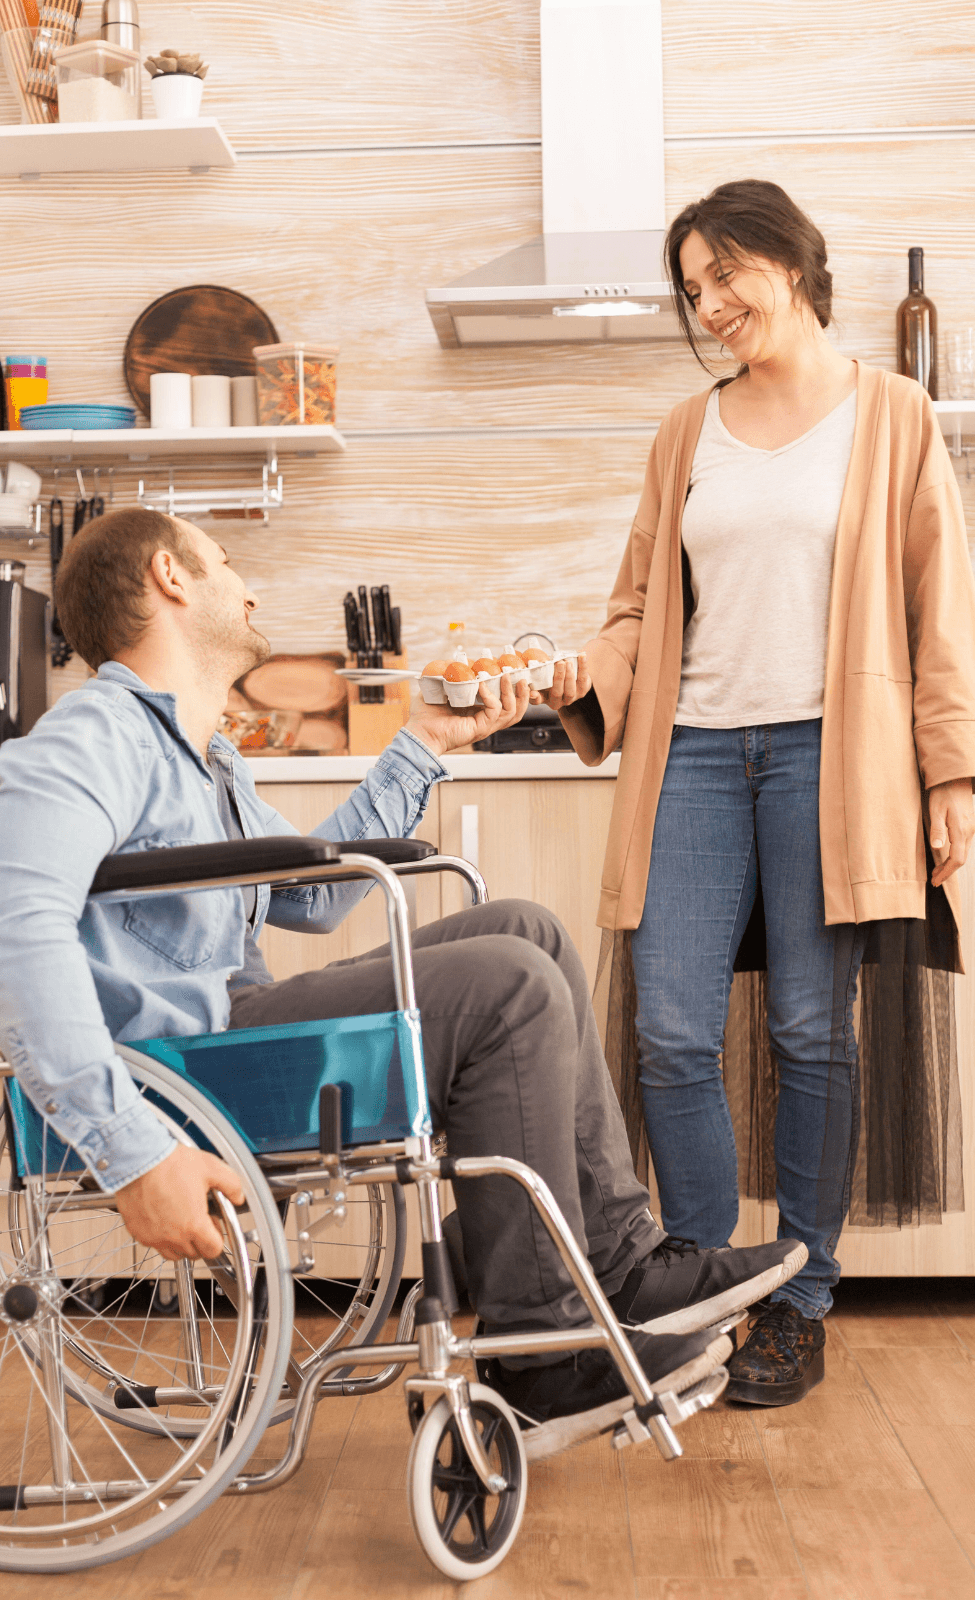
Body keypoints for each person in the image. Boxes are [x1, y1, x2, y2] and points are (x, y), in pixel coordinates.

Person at [0, 506, 805, 1443]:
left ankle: (618, 1265)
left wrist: (428, 744)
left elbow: (312, 897)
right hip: (182, 1081)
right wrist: (133, 1153)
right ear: (169, 576)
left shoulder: (206, 756)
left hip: (230, 1036)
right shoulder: (96, 737)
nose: (247, 583)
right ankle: (541, 1350)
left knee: (531, 932)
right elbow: (8, 927)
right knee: (509, 985)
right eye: (226, 560)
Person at [557, 178, 975, 1407]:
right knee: (672, 1032)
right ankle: (701, 1291)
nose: (712, 303)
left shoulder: (894, 417)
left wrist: (952, 772)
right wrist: (579, 667)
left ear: (791, 260)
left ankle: (799, 1299)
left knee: (807, 1031)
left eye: (725, 274)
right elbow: (637, 609)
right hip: (690, 755)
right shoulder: (684, 433)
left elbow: (936, 611)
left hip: (829, 757)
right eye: (693, 290)